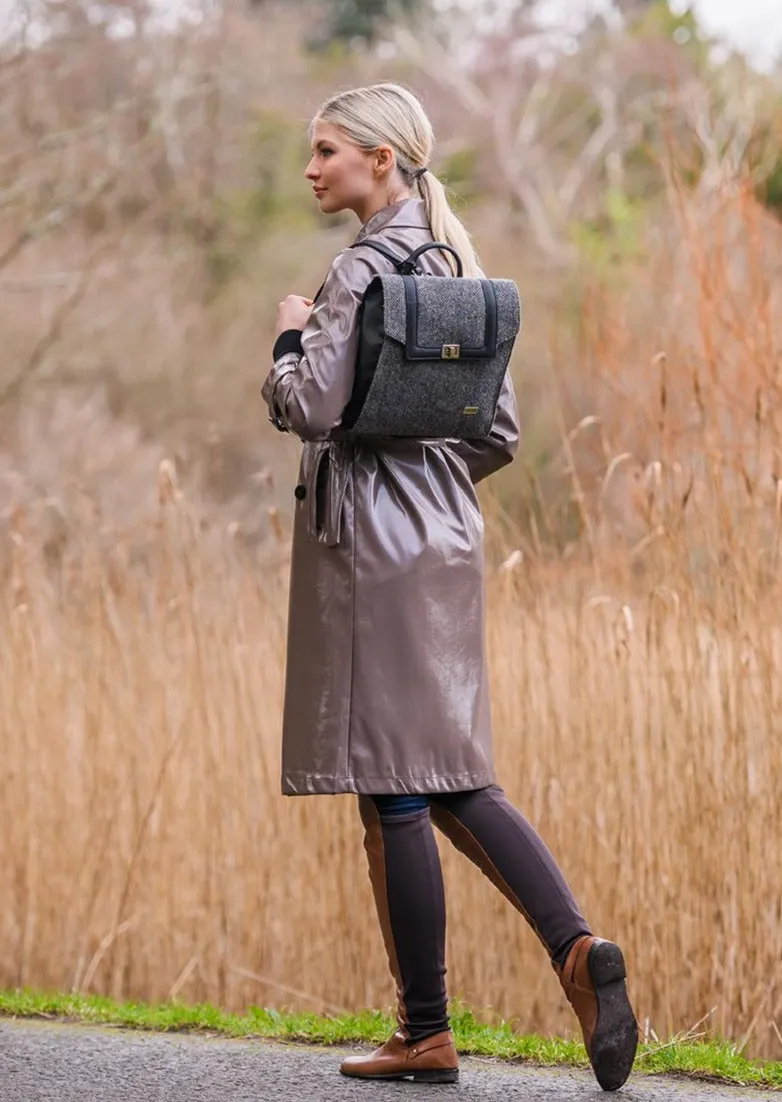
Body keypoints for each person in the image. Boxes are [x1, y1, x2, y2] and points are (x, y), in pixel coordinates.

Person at [261, 82, 638, 1092]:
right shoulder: (459, 264)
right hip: (445, 539)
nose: (311, 166)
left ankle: (423, 1030)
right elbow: (496, 433)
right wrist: (429, 491)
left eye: (327, 149)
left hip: (375, 550)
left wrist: (290, 333)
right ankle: (572, 949)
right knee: (450, 770)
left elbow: (308, 406)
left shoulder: (357, 272)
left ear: (380, 161)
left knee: (393, 783)